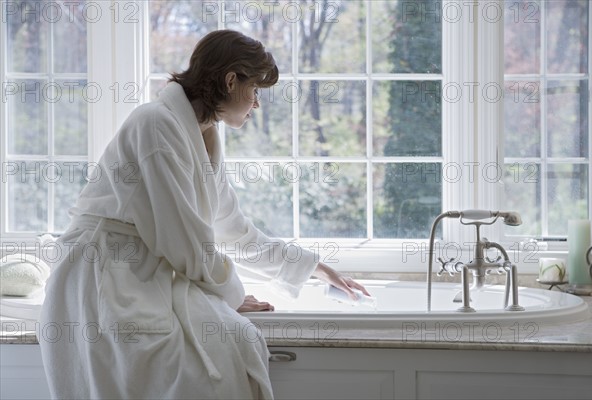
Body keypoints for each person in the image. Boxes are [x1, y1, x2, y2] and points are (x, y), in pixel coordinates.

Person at [39, 29, 367, 399]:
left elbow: (232, 230)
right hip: (104, 278)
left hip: (143, 273)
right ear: (231, 81)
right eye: (255, 91)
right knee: (205, 360)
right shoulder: (156, 123)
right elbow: (184, 242)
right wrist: (231, 293)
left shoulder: (204, 134)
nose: (257, 104)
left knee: (234, 338)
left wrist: (314, 267)